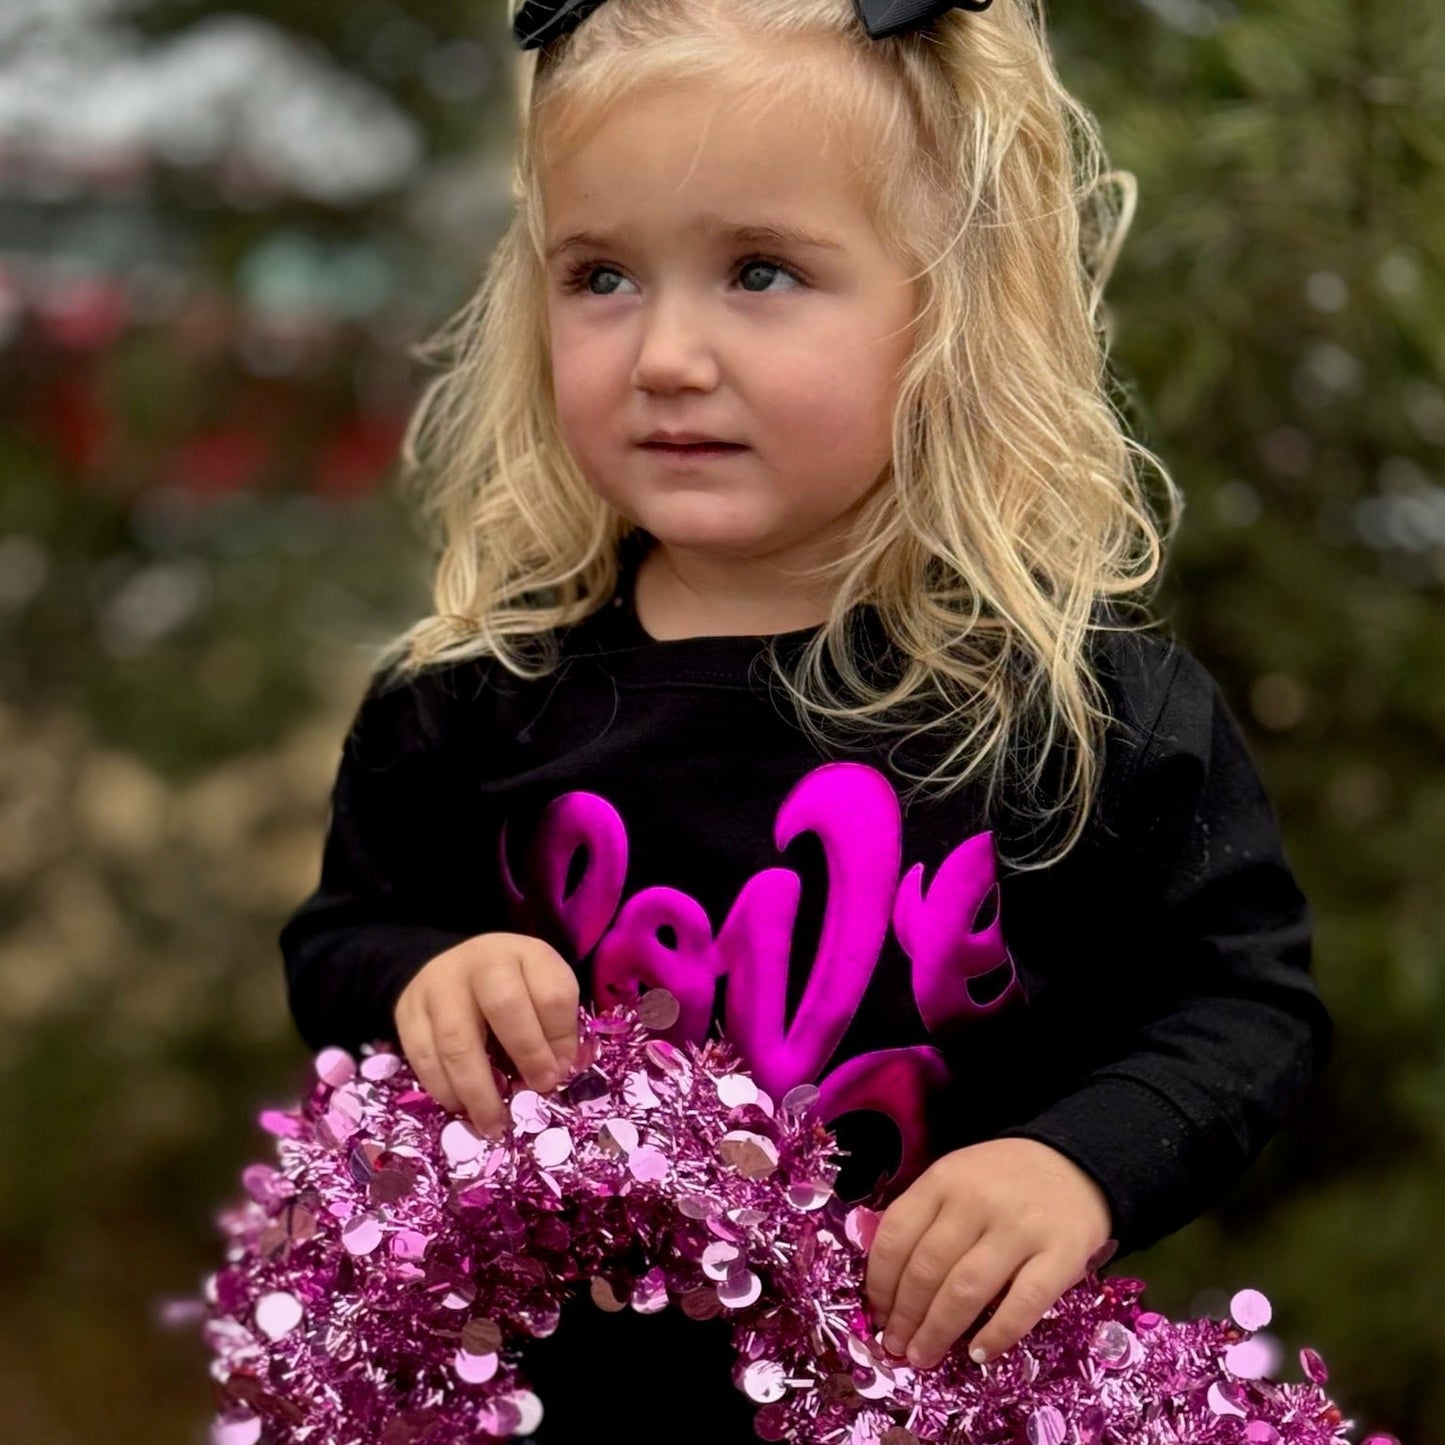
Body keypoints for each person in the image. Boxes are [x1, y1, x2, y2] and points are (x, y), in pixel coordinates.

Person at [278, 0, 1333, 1438]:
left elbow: (1239, 1004)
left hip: (942, 1409)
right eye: (599, 275)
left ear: (949, 304)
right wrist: (425, 973)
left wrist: (1075, 1164)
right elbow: (340, 941)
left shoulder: (1079, 707)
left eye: (759, 270)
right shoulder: (468, 696)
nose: (662, 353)